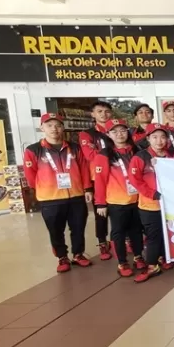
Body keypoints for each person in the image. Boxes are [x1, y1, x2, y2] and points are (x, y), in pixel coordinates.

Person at [24, 113, 93, 273]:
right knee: (55, 229)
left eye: (58, 125)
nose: (54, 129)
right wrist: (43, 189)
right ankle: (62, 257)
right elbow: (31, 174)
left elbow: (83, 168)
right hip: (50, 198)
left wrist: (87, 188)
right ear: (42, 128)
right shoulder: (33, 150)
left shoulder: (74, 147)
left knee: (78, 227)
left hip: (76, 195)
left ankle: (78, 254)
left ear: (63, 127)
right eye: (49, 125)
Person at [93, 119, 145, 277]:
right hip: (117, 201)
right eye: (114, 132)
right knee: (118, 233)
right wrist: (100, 203)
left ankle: (138, 256)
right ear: (108, 134)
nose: (119, 134)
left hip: (137, 199)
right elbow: (100, 180)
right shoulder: (105, 154)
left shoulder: (137, 150)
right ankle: (122, 262)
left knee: (136, 230)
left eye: (122, 130)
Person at [128, 123, 174, 282]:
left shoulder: (170, 157)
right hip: (150, 205)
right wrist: (152, 194)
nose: (159, 141)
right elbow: (136, 181)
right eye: (154, 137)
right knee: (153, 236)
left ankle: (162, 257)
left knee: (166, 233)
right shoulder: (140, 157)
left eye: (162, 137)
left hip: (169, 205)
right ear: (148, 139)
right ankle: (152, 265)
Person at [78, 101, 113, 260]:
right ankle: (102, 242)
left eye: (106, 111)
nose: (104, 114)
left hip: (118, 177)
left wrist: (97, 149)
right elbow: (90, 156)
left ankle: (123, 239)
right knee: (101, 212)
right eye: (99, 111)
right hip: (97, 178)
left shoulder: (117, 130)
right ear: (93, 114)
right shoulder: (87, 134)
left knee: (121, 210)